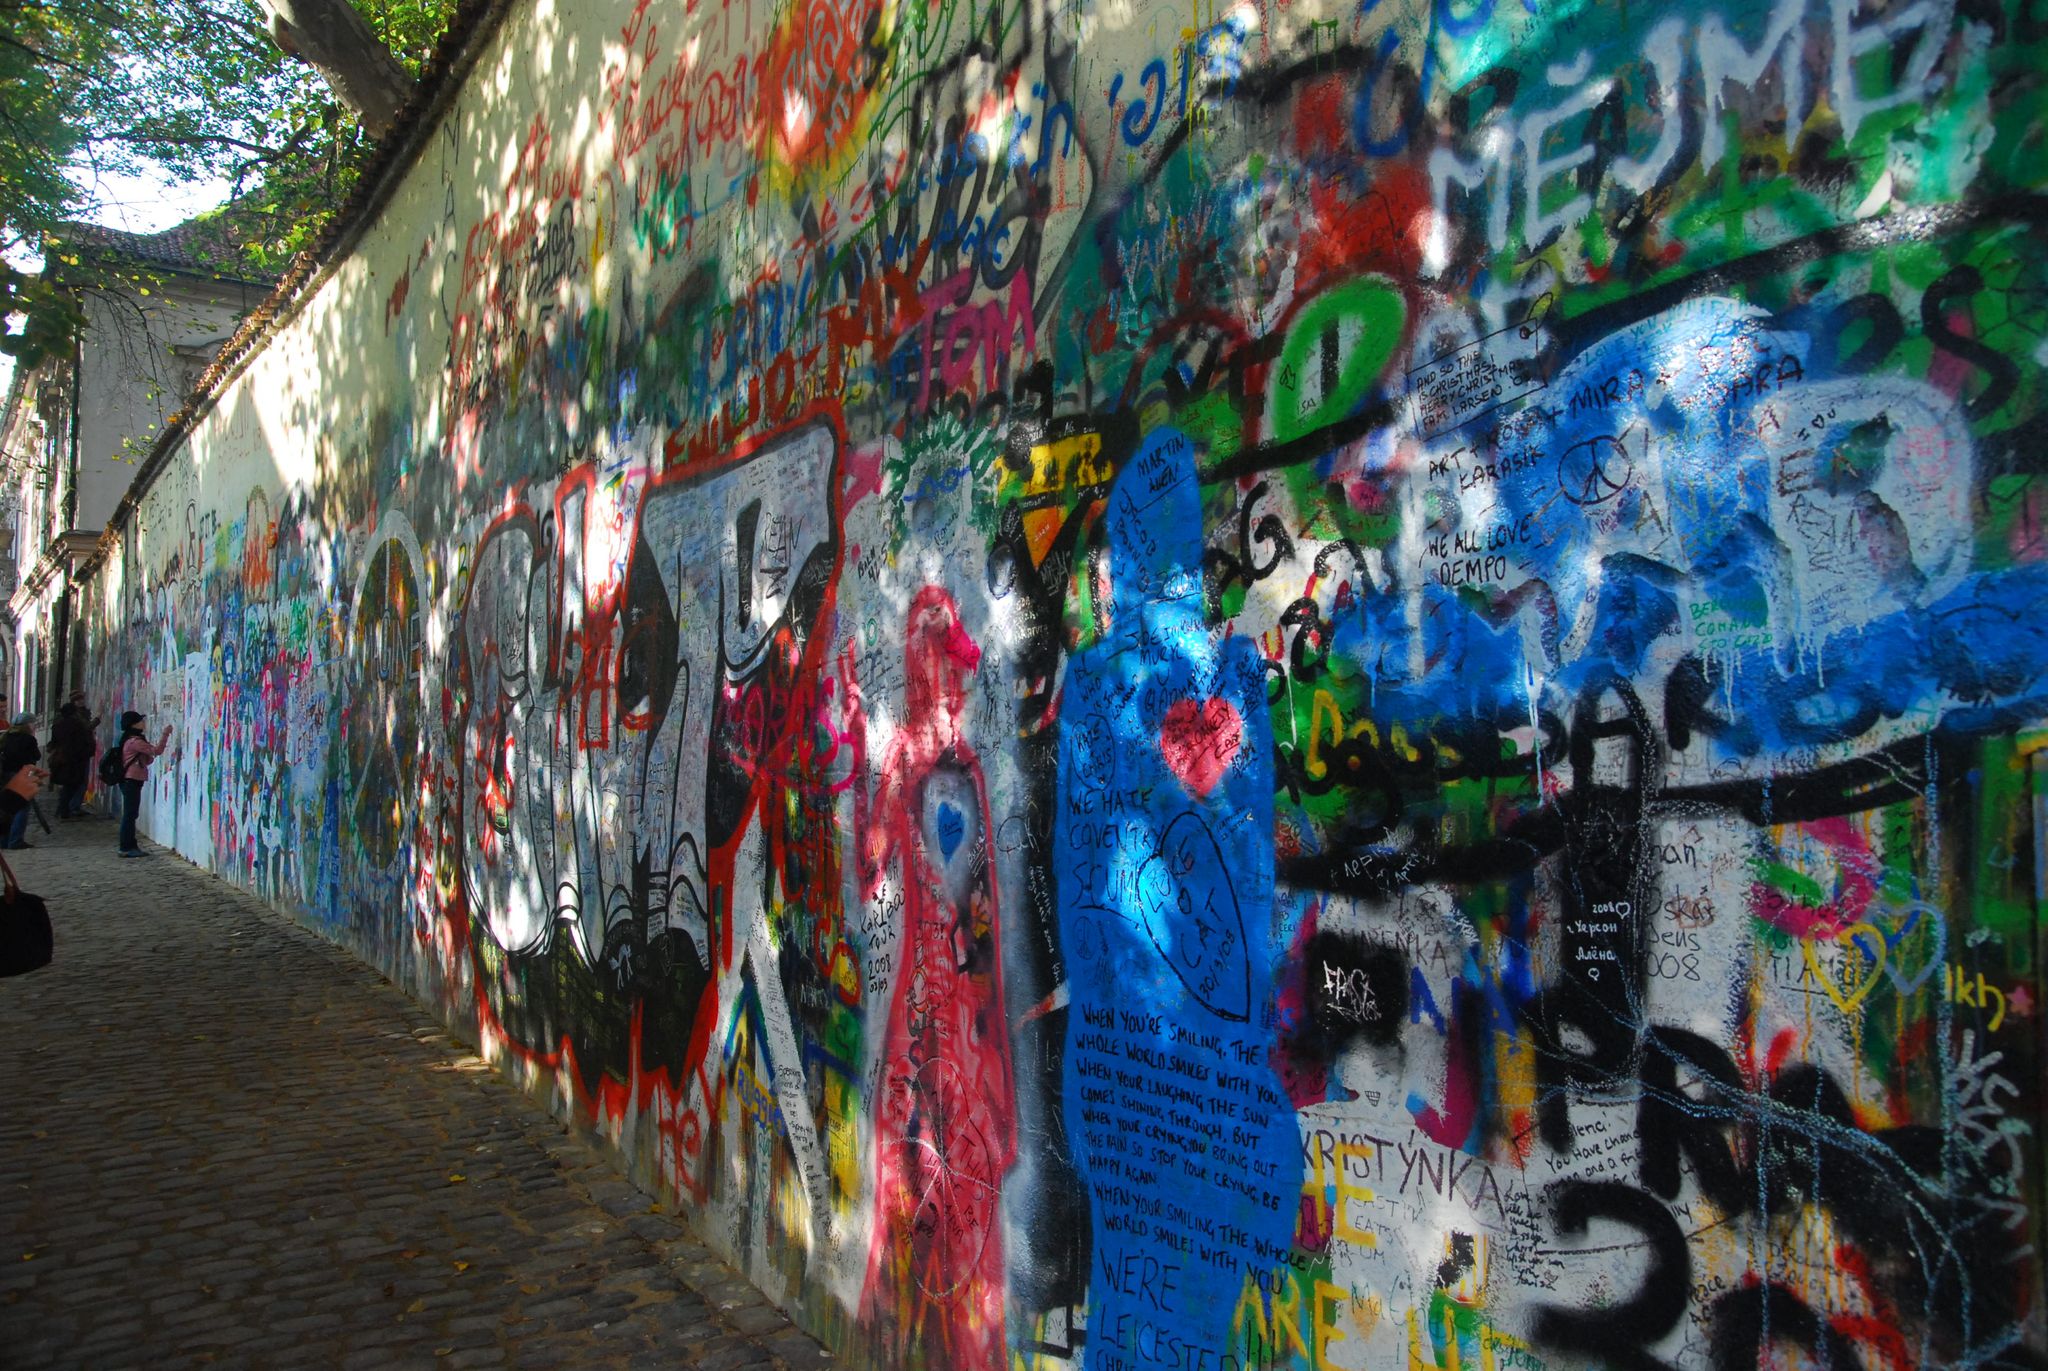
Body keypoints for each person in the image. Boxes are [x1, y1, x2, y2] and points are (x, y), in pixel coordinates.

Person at [115, 711, 173, 858]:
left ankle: (130, 845)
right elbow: (156, 751)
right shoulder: (135, 742)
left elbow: (147, 760)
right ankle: (126, 847)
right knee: (130, 814)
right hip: (131, 780)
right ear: (134, 724)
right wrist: (166, 734)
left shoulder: (130, 740)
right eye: (140, 720)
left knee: (131, 813)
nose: (143, 723)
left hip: (130, 780)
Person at [48, 694, 97, 820]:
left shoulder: (58, 725)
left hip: (63, 759)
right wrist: (88, 751)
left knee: (68, 785)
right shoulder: (77, 725)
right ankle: (65, 809)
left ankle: (64, 809)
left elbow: (54, 742)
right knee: (73, 784)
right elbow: (83, 741)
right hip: (75, 760)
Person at [0, 713, 42, 849]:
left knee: (8, 808)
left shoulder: (6, 737)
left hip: (5, 776)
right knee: (22, 807)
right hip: (22, 775)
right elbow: (37, 755)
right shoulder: (28, 739)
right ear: (28, 725)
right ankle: (15, 840)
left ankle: (4, 840)